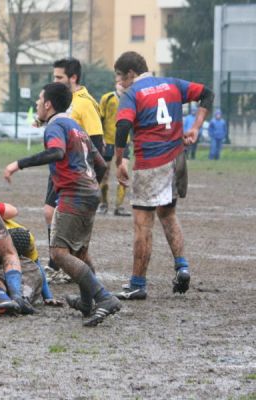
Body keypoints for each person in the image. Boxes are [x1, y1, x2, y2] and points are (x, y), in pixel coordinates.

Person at [3, 82, 121, 327]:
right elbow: (99, 164)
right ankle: (87, 303)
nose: (36, 104)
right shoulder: (76, 126)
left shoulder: (55, 125)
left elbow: (56, 153)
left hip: (74, 194)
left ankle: (103, 297)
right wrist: (90, 187)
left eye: (39, 99)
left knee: (58, 253)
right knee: (80, 252)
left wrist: (19, 164)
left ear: (48, 104)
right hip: (89, 192)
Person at [113, 51, 214, 300]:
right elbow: (207, 94)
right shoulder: (173, 84)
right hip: (177, 160)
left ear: (130, 74)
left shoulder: (132, 93)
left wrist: (119, 160)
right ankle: (182, 266)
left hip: (150, 164)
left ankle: (137, 284)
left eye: (120, 77)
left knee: (142, 225)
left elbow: (123, 126)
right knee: (168, 214)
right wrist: (195, 128)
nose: (119, 82)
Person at [46, 58, 105, 280]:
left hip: (75, 171)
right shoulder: (63, 101)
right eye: (54, 77)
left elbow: (96, 141)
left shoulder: (84, 103)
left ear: (73, 78)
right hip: (60, 167)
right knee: (49, 212)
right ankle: (61, 263)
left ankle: (62, 262)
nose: (56, 81)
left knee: (54, 214)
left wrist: (89, 176)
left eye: (59, 77)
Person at [97, 85, 131, 216]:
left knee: (123, 173)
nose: (123, 84)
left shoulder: (131, 99)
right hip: (108, 142)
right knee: (104, 175)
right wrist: (101, 138)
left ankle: (119, 207)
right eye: (120, 81)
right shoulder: (107, 98)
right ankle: (103, 204)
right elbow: (99, 119)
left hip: (124, 142)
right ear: (116, 82)